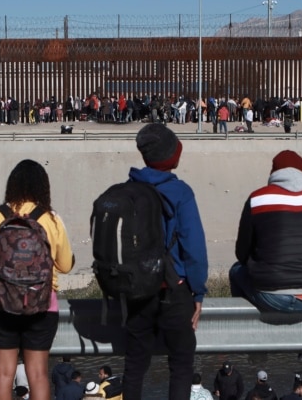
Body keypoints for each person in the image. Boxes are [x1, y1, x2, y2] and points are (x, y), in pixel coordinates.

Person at [121, 124, 209, 400]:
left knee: (135, 365)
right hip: (175, 289)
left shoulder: (127, 190)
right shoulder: (181, 193)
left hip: (138, 291)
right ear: (172, 157)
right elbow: (194, 248)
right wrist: (199, 292)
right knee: (181, 365)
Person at [0, 159, 75, 400]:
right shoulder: (51, 219)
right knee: (38, 374)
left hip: (0, 305)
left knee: (3, 374)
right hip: (42, 306)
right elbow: (65, 266)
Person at [230, 150, 302, 314]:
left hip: (272, 296)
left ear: (273, 172)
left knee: (236, 270)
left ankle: (243, 326)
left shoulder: (258, 199)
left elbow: (242, 252)